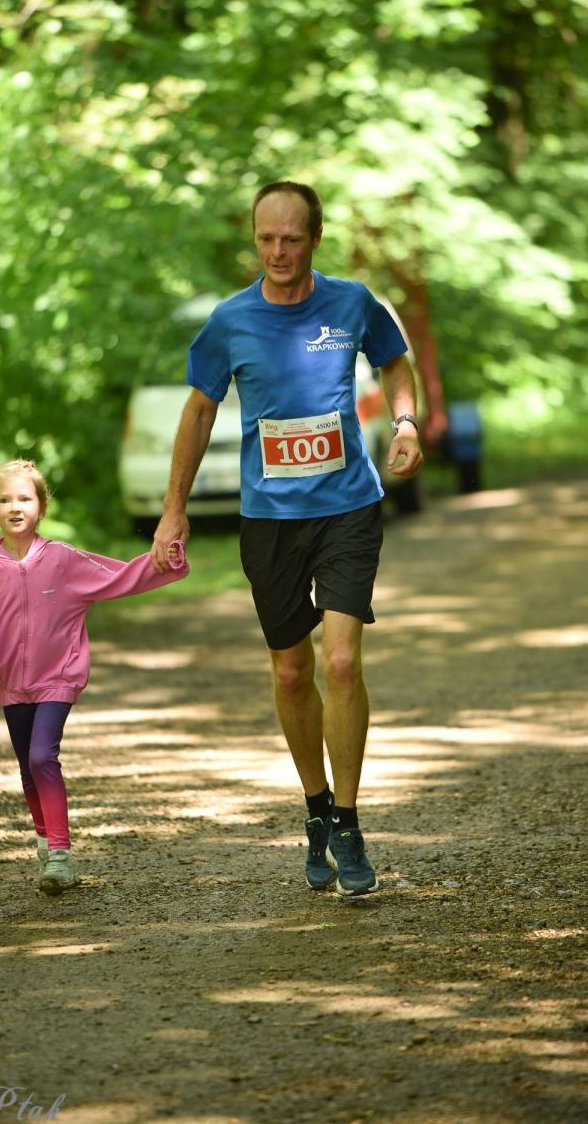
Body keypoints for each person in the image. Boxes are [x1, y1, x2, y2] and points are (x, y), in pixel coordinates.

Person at [152, 181, 423, 896]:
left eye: (291, 239)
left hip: (347, 509)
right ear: (254, 239)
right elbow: (198, 411)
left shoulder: (350, 303)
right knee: (291, 672)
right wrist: (173, 510)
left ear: (314, 238)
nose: (277, 251)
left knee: (337, 662)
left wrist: (403, 423)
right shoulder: (229, 321)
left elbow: (395, 360)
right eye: (265, 238)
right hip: (268, 521)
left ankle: (350, 819)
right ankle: (314, 810)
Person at [0, 459, 189, 895]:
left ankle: (60, 853)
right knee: (27, 767)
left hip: (58, 676)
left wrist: (165, 561)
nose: (15, 506)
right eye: (5, 499)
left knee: (43, 757)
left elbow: (117, 576)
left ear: (41, 507)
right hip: (11, 684)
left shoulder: (61, 560)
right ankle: (45, 839)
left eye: (25, 498)